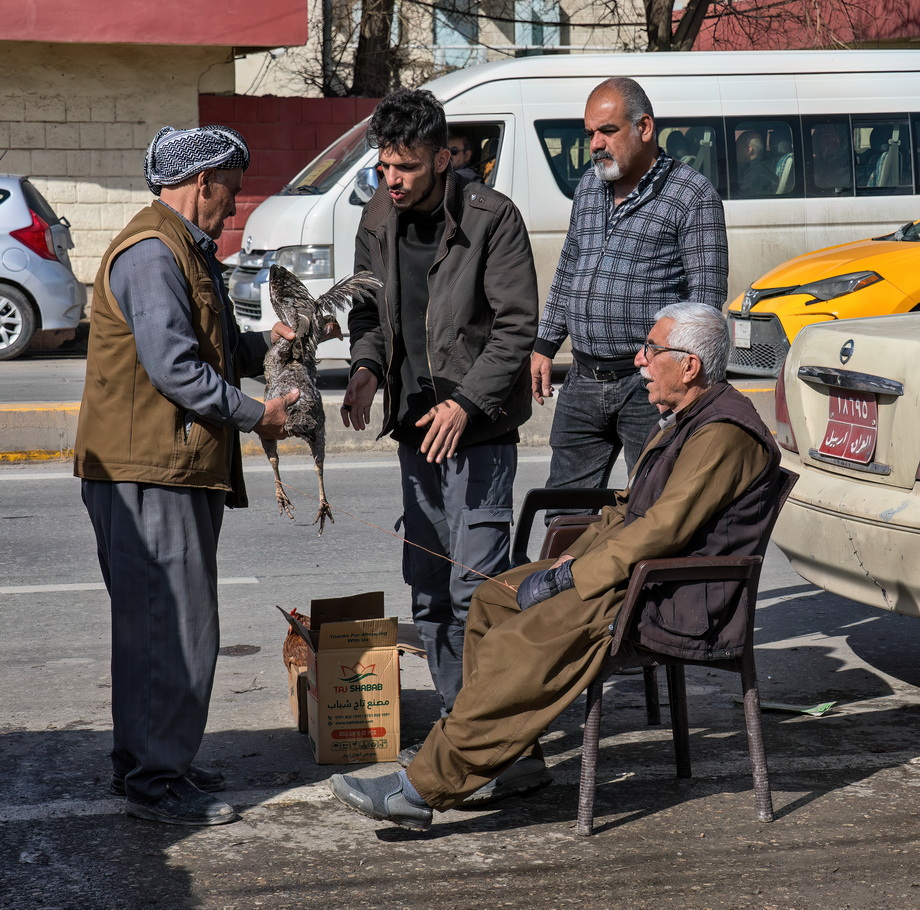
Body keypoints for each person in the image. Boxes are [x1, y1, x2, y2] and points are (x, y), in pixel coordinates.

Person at [329, 302, 782, 830]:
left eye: (652, 350)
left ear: (689, 366)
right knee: (494, 597)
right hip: (637, 573)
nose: (639, 359)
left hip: (669, 595)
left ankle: (421, 788)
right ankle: (514, 761)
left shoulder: (723, 432)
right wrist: (577, 554)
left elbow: (663, 529)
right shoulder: (688, 418)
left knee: (514, 643)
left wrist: (572, 576)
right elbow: (630, 507)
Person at [74, 125, 300, 826]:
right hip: (148, 474)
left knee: (162, 627)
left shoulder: (182, 248)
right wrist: (255, 416)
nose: (232, 210)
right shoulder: (152, 253)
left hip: (166, 468)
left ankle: (153, 762)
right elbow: (176, 368)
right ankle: (153, 780)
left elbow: (214, 345)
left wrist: (268, 345)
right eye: (229, 195)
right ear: (202, 185)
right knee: (169, 629)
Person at [341, 90, 539, 746]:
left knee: (477, 594)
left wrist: (466, 401)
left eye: (406, 167)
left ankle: (500, 743)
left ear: (443, 157)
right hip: (413, 431)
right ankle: (464, 729)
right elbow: (366, 310)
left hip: (478, 432)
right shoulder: (376, 216)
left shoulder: (492, 219)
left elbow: (517, 327)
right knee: (427, 588)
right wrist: (367, 369)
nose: (391, 181)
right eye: (383, 167)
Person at [531, 77, 728, 503]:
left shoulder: (692, 195)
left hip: (649, 386)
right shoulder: (589, 186)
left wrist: (684, 384)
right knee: (563, 508)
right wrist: (545, 344)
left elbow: (706, 303)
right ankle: (562, 572)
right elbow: (569, 267)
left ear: (644, 128)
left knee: (649, 508)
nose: (596, 144)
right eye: (590, 134)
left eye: (608, 131)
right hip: (583, 379)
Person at [736, 130, 779, 197]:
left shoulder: (758, 176)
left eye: (737, 145)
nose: (735, 150)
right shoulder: (751, 170)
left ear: (748, 150)